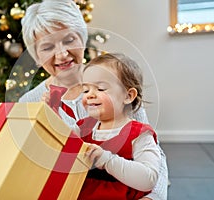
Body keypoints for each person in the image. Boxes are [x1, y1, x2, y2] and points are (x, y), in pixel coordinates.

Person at [19, 0, 168, 199]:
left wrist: (153, 197)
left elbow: (152, 154)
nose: (62, 54)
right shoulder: (28, 102)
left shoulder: (115, 86)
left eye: (69, 40)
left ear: (82, 39)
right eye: (47, 47)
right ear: (36, 57)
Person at [77, 52, 160, 199]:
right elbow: (58, 139)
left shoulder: (139, 134)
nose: (89, 94)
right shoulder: (82, 128)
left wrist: (107, 160)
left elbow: (149, 179)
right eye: (86, 90)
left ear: (128, 96)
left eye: (101, 88)